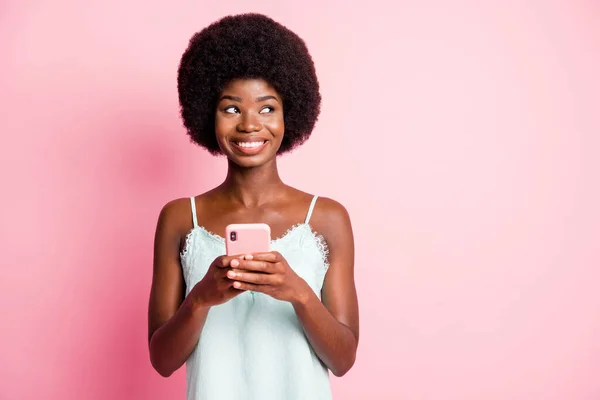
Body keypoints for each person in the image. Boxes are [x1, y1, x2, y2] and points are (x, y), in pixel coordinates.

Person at [147, 13, 359, 400]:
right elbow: (162, 361)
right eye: (231, 108)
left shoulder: (327, 218)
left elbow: (343, 359)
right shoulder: (179, 218)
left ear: (288, 114)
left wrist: (298, 292)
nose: (249, 124)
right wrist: (202, 297)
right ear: (207, 114)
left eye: (266, 108)